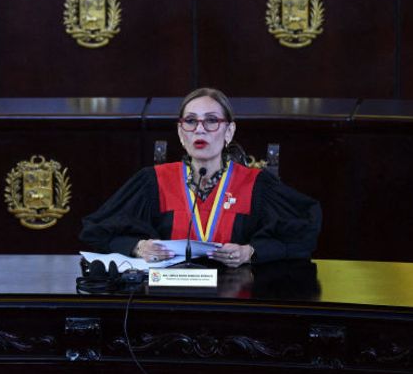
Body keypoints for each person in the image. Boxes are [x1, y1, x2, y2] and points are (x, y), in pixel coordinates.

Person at [80, 88, 321, 267]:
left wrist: (251, 251)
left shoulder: (256, 184)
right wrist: (137, 247)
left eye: (212, 121)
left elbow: (304, 233)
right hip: (168, 298)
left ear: (229, 131)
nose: (200, 129)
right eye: (191, 121)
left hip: (236, 297)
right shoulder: (152, 181)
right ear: (180, 132)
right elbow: (96, 230)